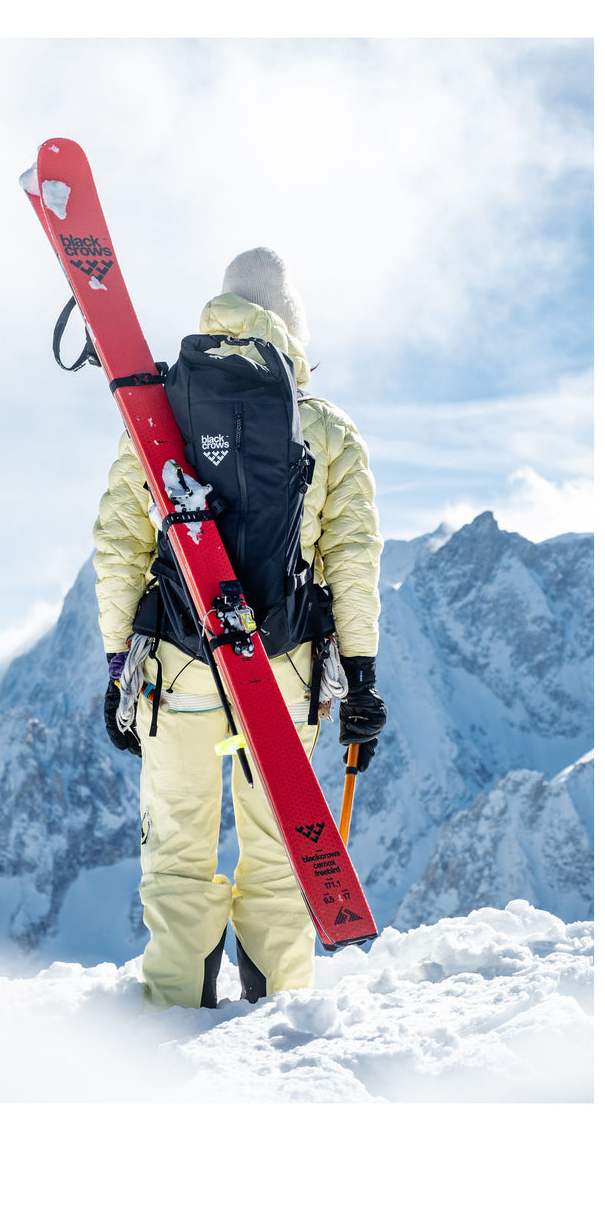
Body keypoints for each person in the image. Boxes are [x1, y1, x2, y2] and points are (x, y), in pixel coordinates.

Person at [92, 247, 385, 1011]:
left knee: (178, 855)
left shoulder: (159, 413)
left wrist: (119, 666)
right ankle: (279, 1015)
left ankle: (173, 1011)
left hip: (179, 664)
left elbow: (120, 544)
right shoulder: (325, 428)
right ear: (292, 326)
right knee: (282, 854)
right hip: (281, 670)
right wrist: (361, 675)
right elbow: (352, 558)